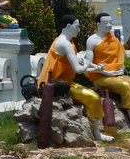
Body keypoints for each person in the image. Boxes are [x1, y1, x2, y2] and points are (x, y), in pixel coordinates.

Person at [38, 14, 113, 142]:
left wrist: (96, 67)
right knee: (93, 97)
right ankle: (96, 133)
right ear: (68, 27)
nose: (79, 30)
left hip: (67, 82)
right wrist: (92, 67)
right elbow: (78, 69)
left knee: (92, 93)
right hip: (57, 85)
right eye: (77, 27)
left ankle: (95, 130)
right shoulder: (64, 44)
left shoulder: (69, 42)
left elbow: (80, 63)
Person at [85, 12, 130, 133]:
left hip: (117, 74)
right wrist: (105, 72)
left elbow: (119, 59)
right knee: (126, 86)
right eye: (105, 22)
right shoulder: (92, 40)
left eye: (110, 22)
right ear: (98, 24)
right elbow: (88, 63)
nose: (109, 25)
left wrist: (120, 69)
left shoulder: (114, 40)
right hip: (100, 77)